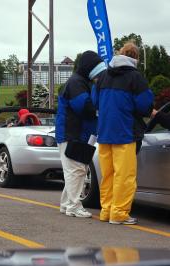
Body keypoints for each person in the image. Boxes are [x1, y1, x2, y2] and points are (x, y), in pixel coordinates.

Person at [92, 42, 154, 225]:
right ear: (136, 58)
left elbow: (95, 101)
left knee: (108, 175)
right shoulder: (135, 78)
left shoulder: (103, 76)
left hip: (104, 133)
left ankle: (106, 210)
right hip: (124, 132)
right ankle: (119, 213)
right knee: (124, 176)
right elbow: (145, 105)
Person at [55, 51, 107, 218]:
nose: (99, 76)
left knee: (76, 170)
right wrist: (101, 109)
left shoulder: (79, 81)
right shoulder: (76, 83)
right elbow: (83, 106)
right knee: (75, 171)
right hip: (72, 134)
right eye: (97, 71)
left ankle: (66, 204)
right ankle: (73, 206)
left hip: (76, 134)